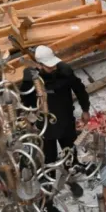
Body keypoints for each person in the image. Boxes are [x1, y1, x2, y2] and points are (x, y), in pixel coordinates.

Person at [19, 46, 92, 197]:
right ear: (38, 65)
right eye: (48, 66)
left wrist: (85, 109)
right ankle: (50, 183)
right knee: (49, 157)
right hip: (45, 126)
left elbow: (79, 89)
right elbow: (25, 99)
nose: (52, 68)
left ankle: (71, 177)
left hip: (65, 119)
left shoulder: (64, 71)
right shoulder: (30, 77)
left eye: (53, 64)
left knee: (70, 151)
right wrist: (30, 119)